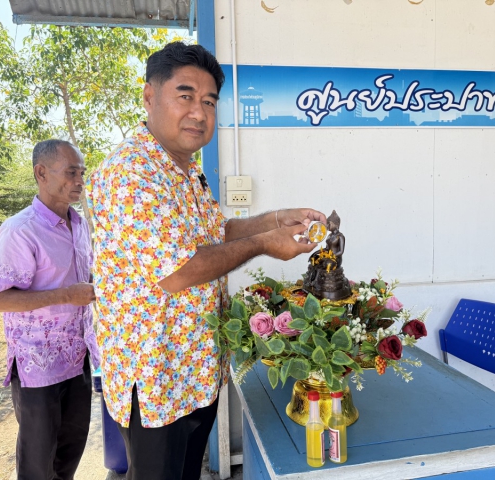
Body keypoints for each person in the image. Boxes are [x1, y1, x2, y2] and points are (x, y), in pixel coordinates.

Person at [86, 42, 326, 480]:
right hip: (157, 381)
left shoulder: (185, 169)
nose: (199, 112)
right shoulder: (132, 172)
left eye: (210, 101)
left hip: (193, 372)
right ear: (149, 96)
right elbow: (179, 271)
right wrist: (265, 243)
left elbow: (215, 235)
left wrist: (275, 219)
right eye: (186, 96)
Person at [0, 139, 100, 480]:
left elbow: (84, 278)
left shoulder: (80, 224)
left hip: (78, 358)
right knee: (38, 463)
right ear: (41, 173)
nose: (79, 181)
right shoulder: (21, 230)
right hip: (38, 367)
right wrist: (66, 295)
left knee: (70, 453)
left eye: (82, 172)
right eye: (71, 172)